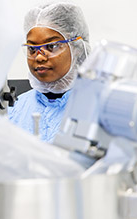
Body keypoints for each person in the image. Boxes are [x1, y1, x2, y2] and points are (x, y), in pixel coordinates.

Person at [8, 2, 90, 143]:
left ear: (77, 48)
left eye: (51, 46)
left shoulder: (96, 108)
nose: (39, 57)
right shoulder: (16, 108)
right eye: (32, 49)